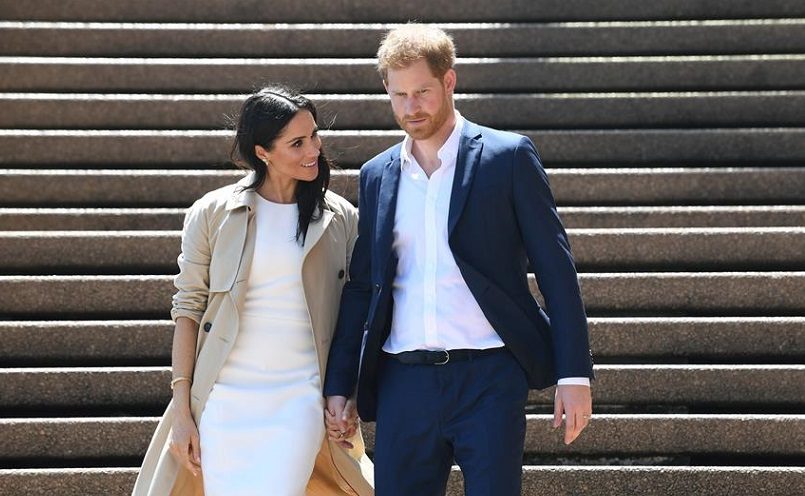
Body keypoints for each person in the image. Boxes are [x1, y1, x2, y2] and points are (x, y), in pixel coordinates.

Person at [324, 24, 594, 496]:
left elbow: (555, 269)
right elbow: (363, 285)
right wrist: (341, 383)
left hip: (489, 375)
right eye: (399, 95)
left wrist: (574, 373)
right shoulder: (376, 174)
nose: (411, 108)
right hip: (403, 381)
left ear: (449, 81)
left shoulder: (507, 157)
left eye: (423, 92)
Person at [132, 87, 374, 496]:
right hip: (225, 399)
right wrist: (182, 411)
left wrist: (345, 391)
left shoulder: (339, 218)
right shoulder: (212, 213)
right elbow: (188, 310)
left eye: (313, 135)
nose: (313, 149)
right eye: (296, 143)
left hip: (300, 397)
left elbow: (357, 314)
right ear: (263, 152)